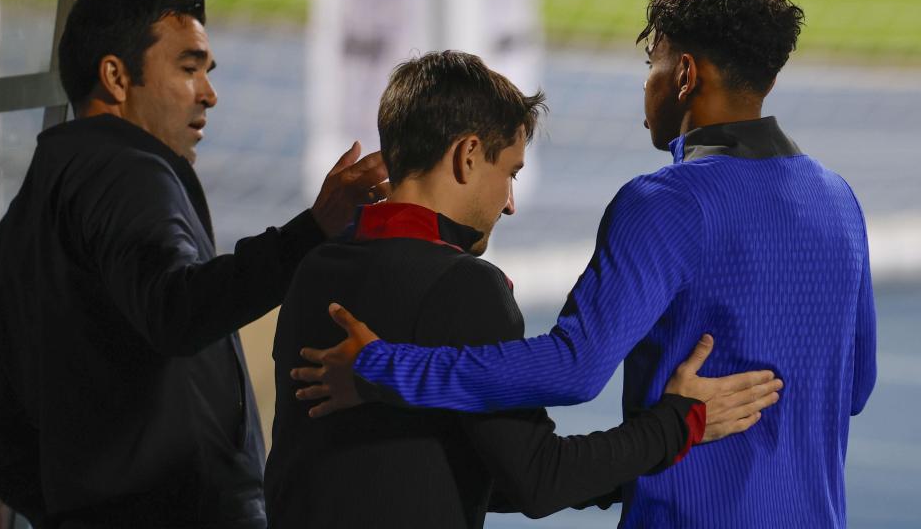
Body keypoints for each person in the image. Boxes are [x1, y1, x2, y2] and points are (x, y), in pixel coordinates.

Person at [295, 0, 876, 528]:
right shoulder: (838, 199)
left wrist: (383, 367)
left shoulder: (665, 202)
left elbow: (575, 368)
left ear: (685, 75)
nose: (647, 85)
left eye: (654, 65)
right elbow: (856, 386)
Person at [268, 50, 781, 529]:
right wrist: (680, 424)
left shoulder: (314, 267)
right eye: (509, 171)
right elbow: (539, 480)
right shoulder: (465, 286)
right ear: (469, 155)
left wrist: (637, 462)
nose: (509, 203)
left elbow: (458, 468)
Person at [0, 0, 387, 529]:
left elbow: (2, 444)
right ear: (116, 76)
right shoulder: (126, 169)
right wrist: (313, 229)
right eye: (188, 68)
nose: (209, 93)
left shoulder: (28, 214)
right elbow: (178, 310)